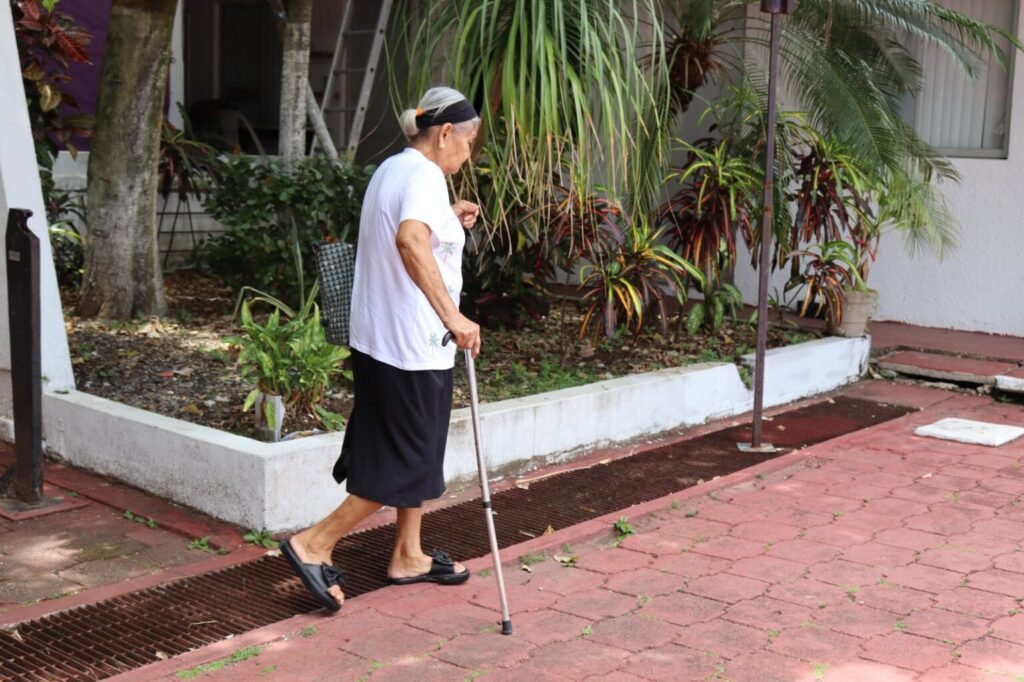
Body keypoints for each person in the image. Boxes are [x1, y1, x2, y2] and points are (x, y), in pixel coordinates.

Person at [280, 87, 483, 612]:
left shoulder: (394, 168)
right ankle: (314, 543)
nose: (468, 155)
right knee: (409, 459)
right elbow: (409, 241)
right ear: (445, 134)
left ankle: (408, 554)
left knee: (414, 452)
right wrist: (454, 317)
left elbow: (411, 230)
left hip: (379, 339)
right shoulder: (425, 176)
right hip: (410, 345)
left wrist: (446, 216)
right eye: (468, 143)